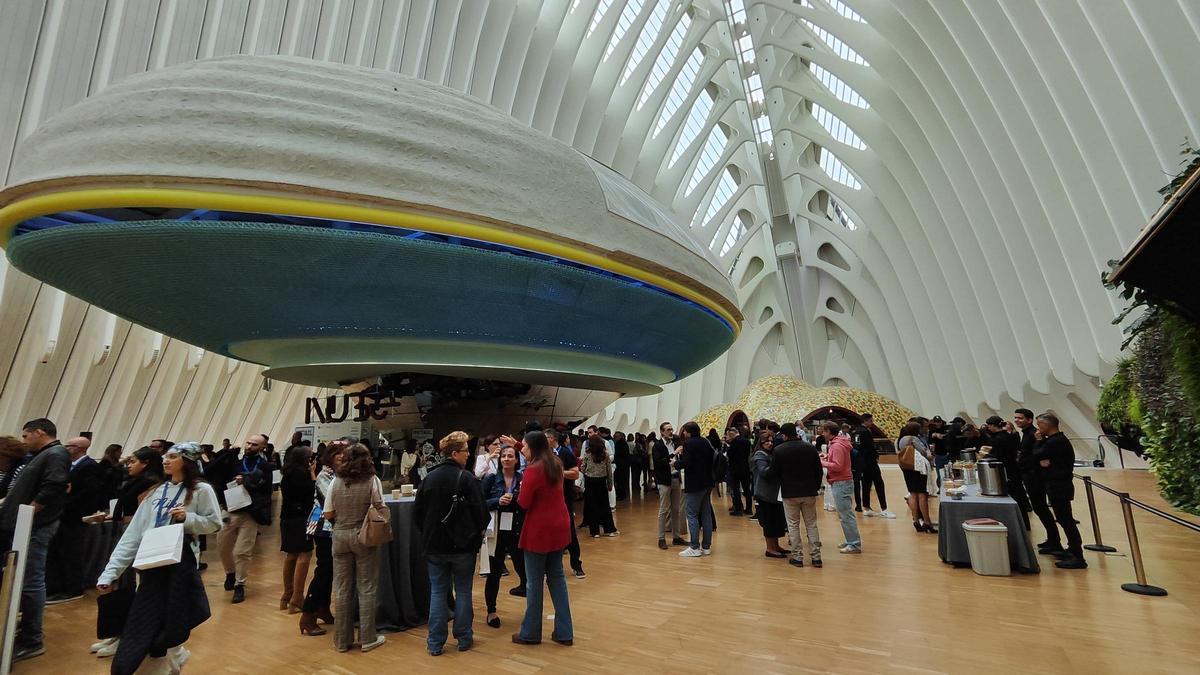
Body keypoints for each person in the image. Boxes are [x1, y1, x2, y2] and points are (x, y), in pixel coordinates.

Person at [97, 442, 222, 675]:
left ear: (187, 460)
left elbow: (215, 523)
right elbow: (134, 534)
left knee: (172, 618)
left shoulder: (201, 490)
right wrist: (111, 572)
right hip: (148, 566)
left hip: (179, 568)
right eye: (165, 456)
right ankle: (167, 662)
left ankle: (171, 662)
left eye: (172, 456)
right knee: (149, 619)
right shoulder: (156, 492)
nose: (165, 460)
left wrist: (189, 518)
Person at [0, 418, 70, 663]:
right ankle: (26, 631)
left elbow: (54, 486)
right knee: (25, 580)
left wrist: (29, 512)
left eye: (26, 435)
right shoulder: (48, 454)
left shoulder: (56, 454)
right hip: (27, 526)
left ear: (39, 432)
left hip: (35, 528)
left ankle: (32, 639)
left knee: (30, 582)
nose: (23, 440)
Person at [415, 431, 488, 656]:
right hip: (463, 546)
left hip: (435, 545)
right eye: (466, 451)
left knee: (438, 592)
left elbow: (418, 513)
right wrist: (475, 536)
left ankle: (434, 642)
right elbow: (482, 513)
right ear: (455, 453)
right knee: (464, 590)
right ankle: (464, 637)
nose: (468, 455)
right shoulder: (466, 478)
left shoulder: (429, 478)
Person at [323, 443, 388, 652]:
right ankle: (368, 638)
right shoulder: (372, 480)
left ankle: (342, 640)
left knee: (342, 588)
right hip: (364, 537)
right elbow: (380, 508)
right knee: (366, 587)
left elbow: (328, 514)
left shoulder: (336, 481)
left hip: (339, 536)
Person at [512, 430, 573, 647]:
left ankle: (530, 632)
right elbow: (533, 449)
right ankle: (565, 632)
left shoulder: (533, 470)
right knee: (557, 579)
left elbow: (524, 502)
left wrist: (518, 492)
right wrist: (518, 444)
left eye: (525, 447)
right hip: (559, 525)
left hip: (539, 529)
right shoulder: (554, 462)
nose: (523, 450)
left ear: (533, 448)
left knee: (534, 583)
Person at [219, 433, 275, 604]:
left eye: (254, 445)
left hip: (251, 513)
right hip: (230, 509)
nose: (249, 446)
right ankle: (230, 572)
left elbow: (267, 490)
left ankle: (239, 585)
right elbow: (212, 472)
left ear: (263, 447)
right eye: (248, 443)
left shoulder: (265, 466)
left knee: (242, 551)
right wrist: (227, 453)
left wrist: (248, 481)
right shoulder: (234, 461)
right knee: (222, 545)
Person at [47, 435, 102, 604]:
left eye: (68, 445)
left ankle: (72, 589)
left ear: (78, 448)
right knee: (59, 552)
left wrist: (64, 500)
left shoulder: (90, 467)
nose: (65, 448)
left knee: (71, 553)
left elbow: (87, 494)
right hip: (64, 516)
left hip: (74, 518)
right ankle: (57, 586)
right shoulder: (69, 466)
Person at [299, 441, 346, 636]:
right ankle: (307, 614)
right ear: (330, 456)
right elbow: (333, 500)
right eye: (338, 454)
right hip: (323, 528)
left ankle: (323, 608)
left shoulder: (338, 474)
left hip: (334, 527)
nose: (343, 457)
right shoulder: (324, 476)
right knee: (325, 570)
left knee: (331, 570)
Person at [1032, 413, 1087, 569]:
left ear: (1048, 425)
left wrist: (1038, 442)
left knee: (1066, 520)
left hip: (1059, 486)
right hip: (1057, 485)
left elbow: (1037, 455)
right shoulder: (1055, 441)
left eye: (1040, 424)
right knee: (1064, 519)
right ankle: (1072, 549)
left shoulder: (1056, 442)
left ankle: (1078, 556)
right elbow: (1041, 458)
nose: (1038, 428)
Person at [481, 446, 527, 628]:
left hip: (517, 530)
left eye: (510, 456)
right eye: (504, 456)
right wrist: (496, 501)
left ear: (516, 460)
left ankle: (531, 610)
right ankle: (491, 611)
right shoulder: (491, 479)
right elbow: (479, 503)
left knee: (524, 569)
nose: (507, 459)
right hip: (497, 532)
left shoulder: (522, 479)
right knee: (494, 573)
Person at [769, 423, 823, 568]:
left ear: (784, 435)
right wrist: (815, 487)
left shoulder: (779, 450)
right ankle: (816, 557)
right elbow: (818, 470)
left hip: (789, 492)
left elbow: (773, 472)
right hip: (809, 491)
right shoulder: (809, 448)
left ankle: (798, 557)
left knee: (793, 525)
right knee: (811, 524)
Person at [279, 445, 316, 613]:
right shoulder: (302, 475)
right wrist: (313, 475)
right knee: (305, 554)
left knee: (291, 555)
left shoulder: (286, 474)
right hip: (303, 518)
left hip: (287, 517)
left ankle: (287, 595)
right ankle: (297, 598)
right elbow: (310, 493)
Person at [544, 428, 585, 578]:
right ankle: (549, 568)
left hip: (564, 499)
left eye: (546, 437)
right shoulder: (543, 455)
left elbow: (575, 473)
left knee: (569, 531)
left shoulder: (566, 453)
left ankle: (576, 565)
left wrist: (558, 472)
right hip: (547, 500)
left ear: (553, 438)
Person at [673, 421, 715, 558]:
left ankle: (694, 546)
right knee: (706, 514)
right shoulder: (705, 442)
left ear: (689, 432)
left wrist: (675, 463)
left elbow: (686, 462)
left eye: (685, 431)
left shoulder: (689, 443)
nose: (683, 433)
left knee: (691, 514)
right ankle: (706, 546)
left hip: (695, 484)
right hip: (707, 482)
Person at [819, 421, 861, 554]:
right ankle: (851, 540)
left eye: (824, 431)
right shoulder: (839, 443)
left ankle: (854, 543)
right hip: (843, 481)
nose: (822, 434)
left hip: (841, 481)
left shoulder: (836, 446)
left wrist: (821, 462)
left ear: (829, 432)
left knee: (846, 515)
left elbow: (838, 466)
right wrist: (827, 457)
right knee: (845, 514)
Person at [983, 415, 1030, 530]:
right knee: (1018, 498)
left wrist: (987, 455)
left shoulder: (999, 438)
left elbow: (999, 456)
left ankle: (1018, 524)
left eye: (989, 426)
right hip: (1013, 470)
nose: (988, 428)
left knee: (1014, 497)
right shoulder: (1007, 436)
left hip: (1007, 471)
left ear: (993, 426)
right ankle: (1023, 524)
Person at [751, 431, 788, 557]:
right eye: (766, 441)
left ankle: (775, 545)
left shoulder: (771, 454)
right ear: (761, 443)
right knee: (768, 521)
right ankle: (770, 548)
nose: (770, 443)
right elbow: (764, 472)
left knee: (775, 520)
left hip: (773, 494)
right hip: (764, 494)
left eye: (771, 441)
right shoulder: (760, 455)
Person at [651, 422, 687, 550]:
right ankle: (661, 538)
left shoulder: (675, 443)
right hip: (664, 481)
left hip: (676, 479)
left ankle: (676, 536)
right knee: (664, 510)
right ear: (662, 432)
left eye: (671, 429)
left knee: (676, 509)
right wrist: (673, 454)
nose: (671, 432)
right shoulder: (658, 446)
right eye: (668, 430)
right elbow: (658, 463)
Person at [896, 422, 936, 533]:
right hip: (918, 469)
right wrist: (929, 452)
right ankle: (927, 522)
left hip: (907, 468)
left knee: (913, 493)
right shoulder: (914, 439)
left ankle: (916, 520)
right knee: (922, 494)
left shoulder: (901, 439)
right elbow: (923, 453)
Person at [853, 414, 894, 518]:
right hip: (870, 462)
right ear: (866, 421)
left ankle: (866, 507)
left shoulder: (856, 431)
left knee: (866, 485)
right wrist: (875, 455)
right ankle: (884, 509)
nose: (872, 423)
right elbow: (869, 447)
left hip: (861, 462)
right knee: (879, 484)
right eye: (871, 421)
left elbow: (857, 447)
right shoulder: (865, 432)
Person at [724, 427, 753, 516]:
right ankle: (749, 509)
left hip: (735, 469)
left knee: (736, 490)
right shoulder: (747, 441)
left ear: (732, 434)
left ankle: (738, 509)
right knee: (747, 490)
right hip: (745, 468)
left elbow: (730, 454)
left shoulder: (734, 442)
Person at [612, 431, 631, 501]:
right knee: (621, 480)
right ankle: (621, 494)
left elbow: (621, 455)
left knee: (621, 480)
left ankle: (621, 495)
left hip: (621, 465)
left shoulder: (620, 444)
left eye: (616, 436)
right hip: (622, 465)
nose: (615, 437)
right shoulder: (622, 443)